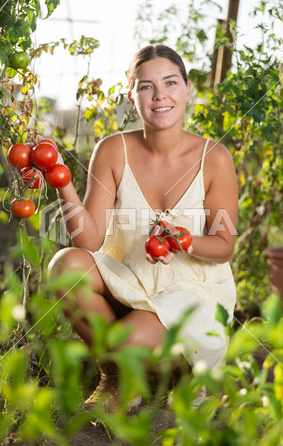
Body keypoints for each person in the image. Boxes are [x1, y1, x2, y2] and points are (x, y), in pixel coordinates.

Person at [47, 44, 238, 409]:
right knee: (66, 266)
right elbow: (88, 239)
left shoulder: (214, 158)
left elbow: (224, 245)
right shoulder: (113, 150)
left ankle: (175, 373)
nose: (160, 95)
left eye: (170, 82)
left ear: (187, 89)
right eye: (146, 86)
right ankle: (117, 379)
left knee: (122, 340)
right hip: (130, 280)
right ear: (131, 94)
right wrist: (61, 179)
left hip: (193, 293)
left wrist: (184, 241)